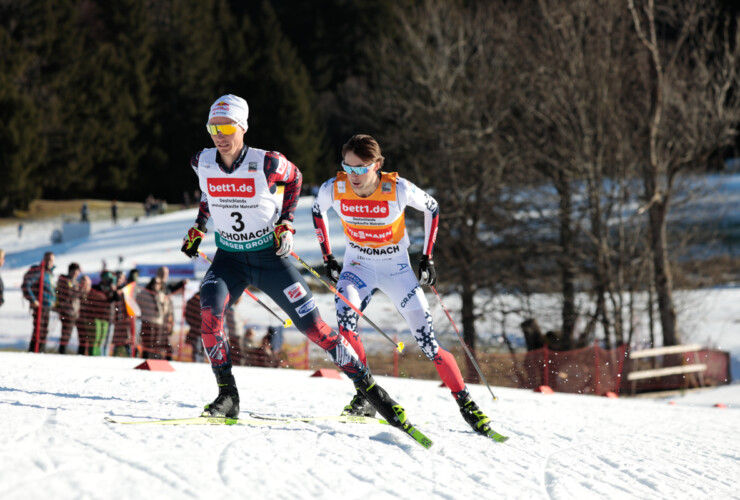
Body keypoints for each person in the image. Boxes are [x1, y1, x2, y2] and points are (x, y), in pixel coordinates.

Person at [180, 94, 417, 430]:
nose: (219, 134)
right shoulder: (200, 160)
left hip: (269, 258)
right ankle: (227, 396)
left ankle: (369, 390)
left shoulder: (267, 162)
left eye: (227, 126)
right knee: (209, 311)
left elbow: (296, 178)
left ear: (242, 127)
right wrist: (199, 226)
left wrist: (286, 222)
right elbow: (209, 193)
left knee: (315, 329)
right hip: (229, 258)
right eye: (213, 127)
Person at [312, 134, 493, 437]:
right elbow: (318, 212)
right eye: (348, 167)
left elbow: (432, 209)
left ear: (378, 165)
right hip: (358, 267)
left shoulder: (397, 189)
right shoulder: (335, 188)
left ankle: (466, 404)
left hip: (397, 270)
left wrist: (427, 257)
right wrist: (328, 257)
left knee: (428, 342)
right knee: (345, 319)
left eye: (361, 168)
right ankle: (366, 394)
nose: (354, 176)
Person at [23, 252, 56, 353]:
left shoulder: (49, 273)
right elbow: (26, 285)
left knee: (44, 330)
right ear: (44, 259)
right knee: (39, 329)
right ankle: (34, 351)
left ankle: (40, 351)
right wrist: (33, 300)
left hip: (47, 306)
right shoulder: (38, 271)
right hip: (39, 306)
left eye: (52, 260)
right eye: (48, 259)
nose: (50, 262)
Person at [55, 263, 82, 354]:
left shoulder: (75, 282)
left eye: (77, 271)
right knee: (66, 333)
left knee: (68, 333)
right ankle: (62, 352)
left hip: (74, 311)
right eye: (75, 271)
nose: (76, 273)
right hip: (67, 311)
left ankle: (63, 351)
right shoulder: (65, 281)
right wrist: (79, 292)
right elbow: (69, 293)